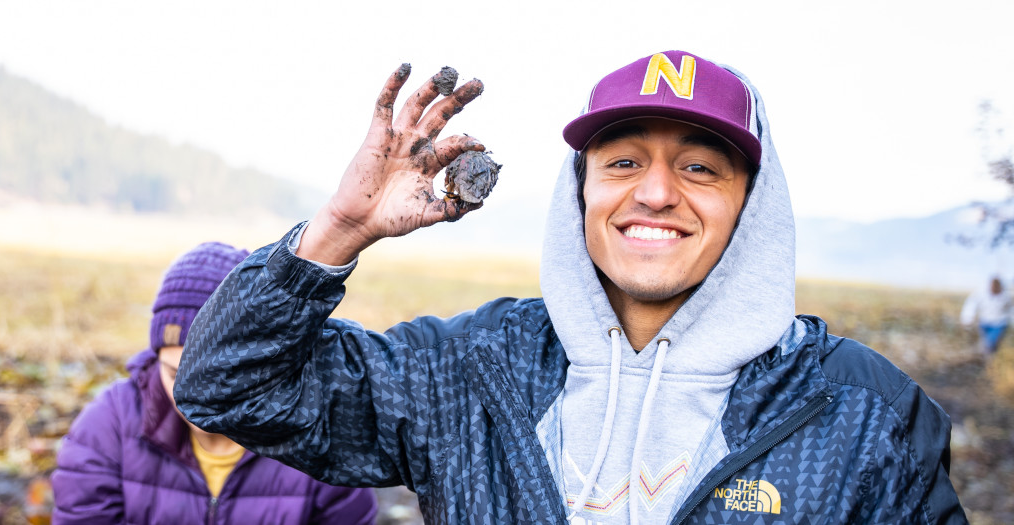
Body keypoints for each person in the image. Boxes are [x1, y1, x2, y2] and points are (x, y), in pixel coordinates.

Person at [174, 51, 965, 524]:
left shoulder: (863, 414)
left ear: (751, 206)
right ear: (580, 190)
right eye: (623, 161)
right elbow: (225, 385)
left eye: (699, 166)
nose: (654, 193)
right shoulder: (472, 372)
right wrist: (340, 229)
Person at [51, 242, 377, 524]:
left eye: (221, 378)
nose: (196, 400)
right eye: (175, 375)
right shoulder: (105, 431)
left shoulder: (319, 436)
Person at [960, 275, 1013, 357]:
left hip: (999, 324)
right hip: (984, 322)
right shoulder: (981, 294)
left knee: (991, 341)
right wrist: (967, 318)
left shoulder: (1006, 297)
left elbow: (1011, 310)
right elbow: (971, 305)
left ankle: (989, 358)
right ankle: (988, 357)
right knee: (985, 341)